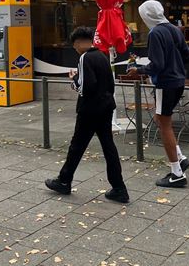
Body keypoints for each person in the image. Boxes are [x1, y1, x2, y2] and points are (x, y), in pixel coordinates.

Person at [45, 27, 129, 203]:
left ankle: (64, 181)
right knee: (108, 147)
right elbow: (108, 83)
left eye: (74, 45)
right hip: (106, 107)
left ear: (78, 42)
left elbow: (85, 87)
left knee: (76, 146)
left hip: (90, 110)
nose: (74, 48)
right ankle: (119, 187)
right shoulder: (102, 56)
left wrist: (74, 80)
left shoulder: (85, 57)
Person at [127, 0, 189, 188]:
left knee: (164, 125)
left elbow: (157, 64)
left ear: (146, 16)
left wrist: (139, 70)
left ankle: (177, 173)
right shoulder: (175, 30)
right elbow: (188, 57)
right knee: (160, 119)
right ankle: (180, 158)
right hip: (178, 80)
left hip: (165, 83)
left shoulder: (155, 33)